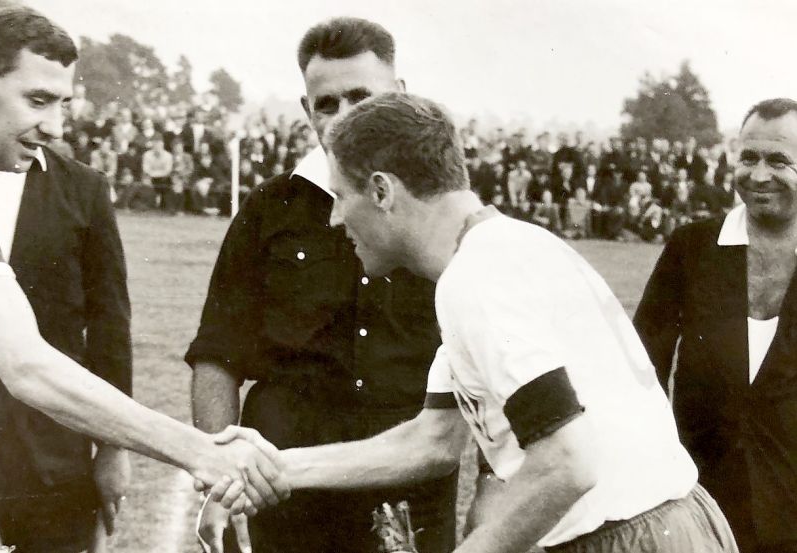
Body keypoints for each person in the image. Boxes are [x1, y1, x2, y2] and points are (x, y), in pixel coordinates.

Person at [0, 7, 285, 553]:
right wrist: (199, 450)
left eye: (62, 103)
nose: (56, 126)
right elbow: (27, 366)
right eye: (36, 100)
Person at [214, 92, 739, 553]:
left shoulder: (479, 276)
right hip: (668, 522)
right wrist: (282, 467)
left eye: (341, 196)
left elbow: (568, 462)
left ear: (381, 191)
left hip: (629, 537)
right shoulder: (500, 249)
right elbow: (432, 441)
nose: (334, 217)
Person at [189, 18, 456, 553]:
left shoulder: (442, 213)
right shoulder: (269, 209)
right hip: (283, 487)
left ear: (399, 95)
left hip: (405, 486)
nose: (344, 117)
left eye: (361, 96)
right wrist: (220, 474)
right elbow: (218, 354)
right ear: (307, 111)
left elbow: (489, 374)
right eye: (326, 103)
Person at [0, 3, 133, 551]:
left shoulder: (83, 190)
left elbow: (109, 325)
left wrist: (113, 451)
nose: (52, 123)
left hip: (51, 455)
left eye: (59, 103)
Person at [634, 98, 797, 553]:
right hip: (700, 501)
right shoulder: (693, 247)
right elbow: (642, 363)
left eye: (779, 160)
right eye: (749, 157)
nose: (759, 174)